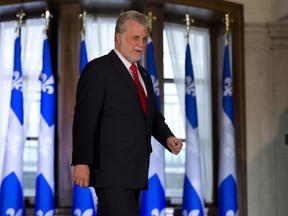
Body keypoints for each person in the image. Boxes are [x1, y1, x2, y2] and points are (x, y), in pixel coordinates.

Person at [71, 10, 183, 216]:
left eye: (144, 38)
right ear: (118, 38)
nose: (140, 44)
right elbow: (84, 119)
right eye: (135, 38)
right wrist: (81, 161)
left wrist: (167, 138)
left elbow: (152, 116)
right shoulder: (98, 70)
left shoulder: (144, 75)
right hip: (110, 171)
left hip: (135, 171)